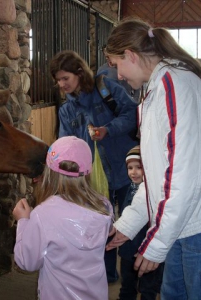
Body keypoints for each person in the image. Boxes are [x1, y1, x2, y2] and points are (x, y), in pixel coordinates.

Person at [104, 18, 201, 299]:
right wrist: (129, 224)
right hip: (184, 218)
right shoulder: (156, 89)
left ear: (130, 55)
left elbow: (183, 175)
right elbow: (159, 175)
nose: (118, 75)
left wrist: (156, 244)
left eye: (116, 64)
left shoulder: (174, 86)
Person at [49, 50, 138, 283]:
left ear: (79, 73)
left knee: (133, 223)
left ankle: (135, 274)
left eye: (65, 78)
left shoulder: (106, 89)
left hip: (127, 171)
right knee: (102, 227)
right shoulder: (66, 111)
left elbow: (133, 114)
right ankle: (107, 275)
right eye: (58, 80)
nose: (61, 84)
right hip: (94, 181)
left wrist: (109, 129)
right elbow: (65, 146)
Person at [13, 136, 113, 300]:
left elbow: (27, 262)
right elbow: (107, 231)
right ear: (89, 169)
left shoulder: (42, 215)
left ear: (49, 172)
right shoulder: (104, 206)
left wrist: (23, 221)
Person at [119, 145, 164, 300]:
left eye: (139, 167)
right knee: (127, 282)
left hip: (147, 247)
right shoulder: (128, 188)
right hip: (128, 249)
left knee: (148, 286)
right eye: (130, 168)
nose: (134, 172)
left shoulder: (155, 191)